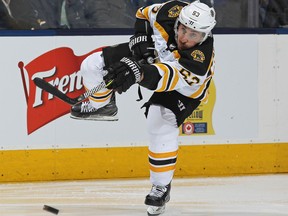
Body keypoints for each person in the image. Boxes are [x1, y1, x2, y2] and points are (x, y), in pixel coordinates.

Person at [70, 0, 216, 215]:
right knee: (91, 64)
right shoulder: (171, 11)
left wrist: (137, 72)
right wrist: (141, 39)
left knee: (159, 120)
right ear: (179, 22)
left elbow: (164, 80)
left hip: (182, 89)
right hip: (154, 56)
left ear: (204, 36)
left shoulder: (199, 61)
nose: (185, 38)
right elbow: (143, 13)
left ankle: (161, 187)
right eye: (183, 29)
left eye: (193, 35)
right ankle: (102, 106)